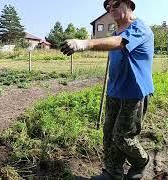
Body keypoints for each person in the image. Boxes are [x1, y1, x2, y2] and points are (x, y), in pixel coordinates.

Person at [61, 0, 154, 179]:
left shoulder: (139, 28)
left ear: (129, 4)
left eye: (116, 3)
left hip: (133, 92)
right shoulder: (114, 32)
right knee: (109, 135)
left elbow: (120, 42)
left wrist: (85, 43)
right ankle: (113, 173)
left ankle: (141, 161)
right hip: (114, 91)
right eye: (108, 7)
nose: (111, 8)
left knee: (123, 137)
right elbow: (114, 45)